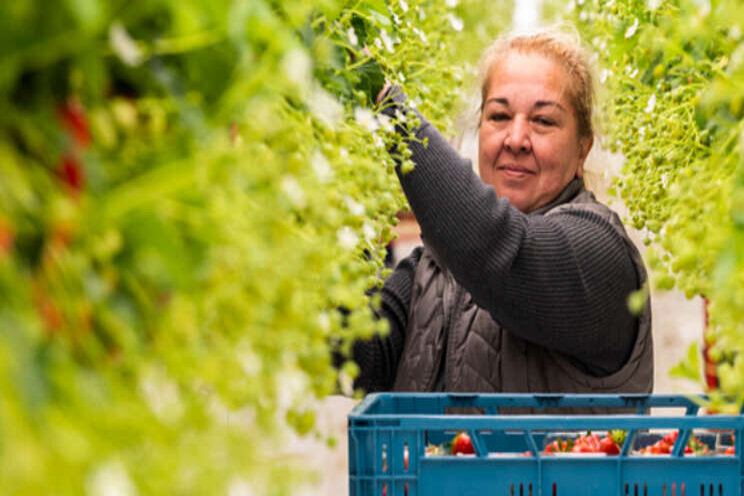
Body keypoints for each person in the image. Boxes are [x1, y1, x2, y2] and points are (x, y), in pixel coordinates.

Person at [351, 29, 653, 394]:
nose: (515, 139)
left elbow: (496, 249)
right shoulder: (431, 268)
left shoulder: (600, 253)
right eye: (499, 116)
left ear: (582, 151)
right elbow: (362, 354)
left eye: (543, 121)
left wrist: (384, 102)